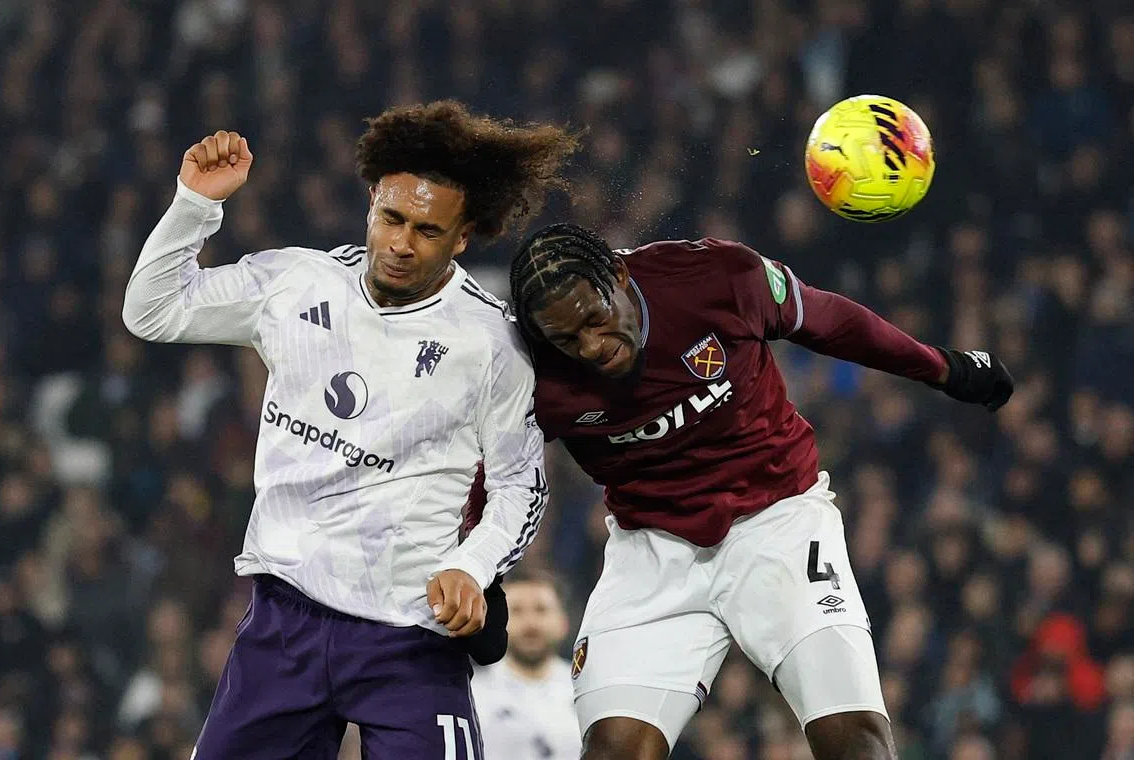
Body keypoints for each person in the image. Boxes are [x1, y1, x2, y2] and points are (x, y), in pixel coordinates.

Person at [122, 101, 578, 759]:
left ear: (462, 238)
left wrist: (469, 566)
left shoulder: (491, 345)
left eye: (427, 229)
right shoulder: (293, 283)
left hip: (410, 637)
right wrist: (194, 205)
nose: (400, 242)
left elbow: (519, 486)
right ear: (370, 203)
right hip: (285, 623)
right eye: (391, 218)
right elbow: (152, 312)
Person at [507, 224, 1014, 760]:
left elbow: (830, 320)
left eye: (595, 318)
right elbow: (491, 472)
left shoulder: (715, 277)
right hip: (651, 551)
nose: (590, 346)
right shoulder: (525, 365)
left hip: (780, 525)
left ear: (619, 273)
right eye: (566, 339)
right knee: (613, 752)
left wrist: (942, 367)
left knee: (855, 742)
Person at [472, 569, 583, 759]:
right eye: (517, 611)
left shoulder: (585, 691)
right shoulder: (472, 692)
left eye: (541, 610)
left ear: (563, 622)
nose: (530, 623)